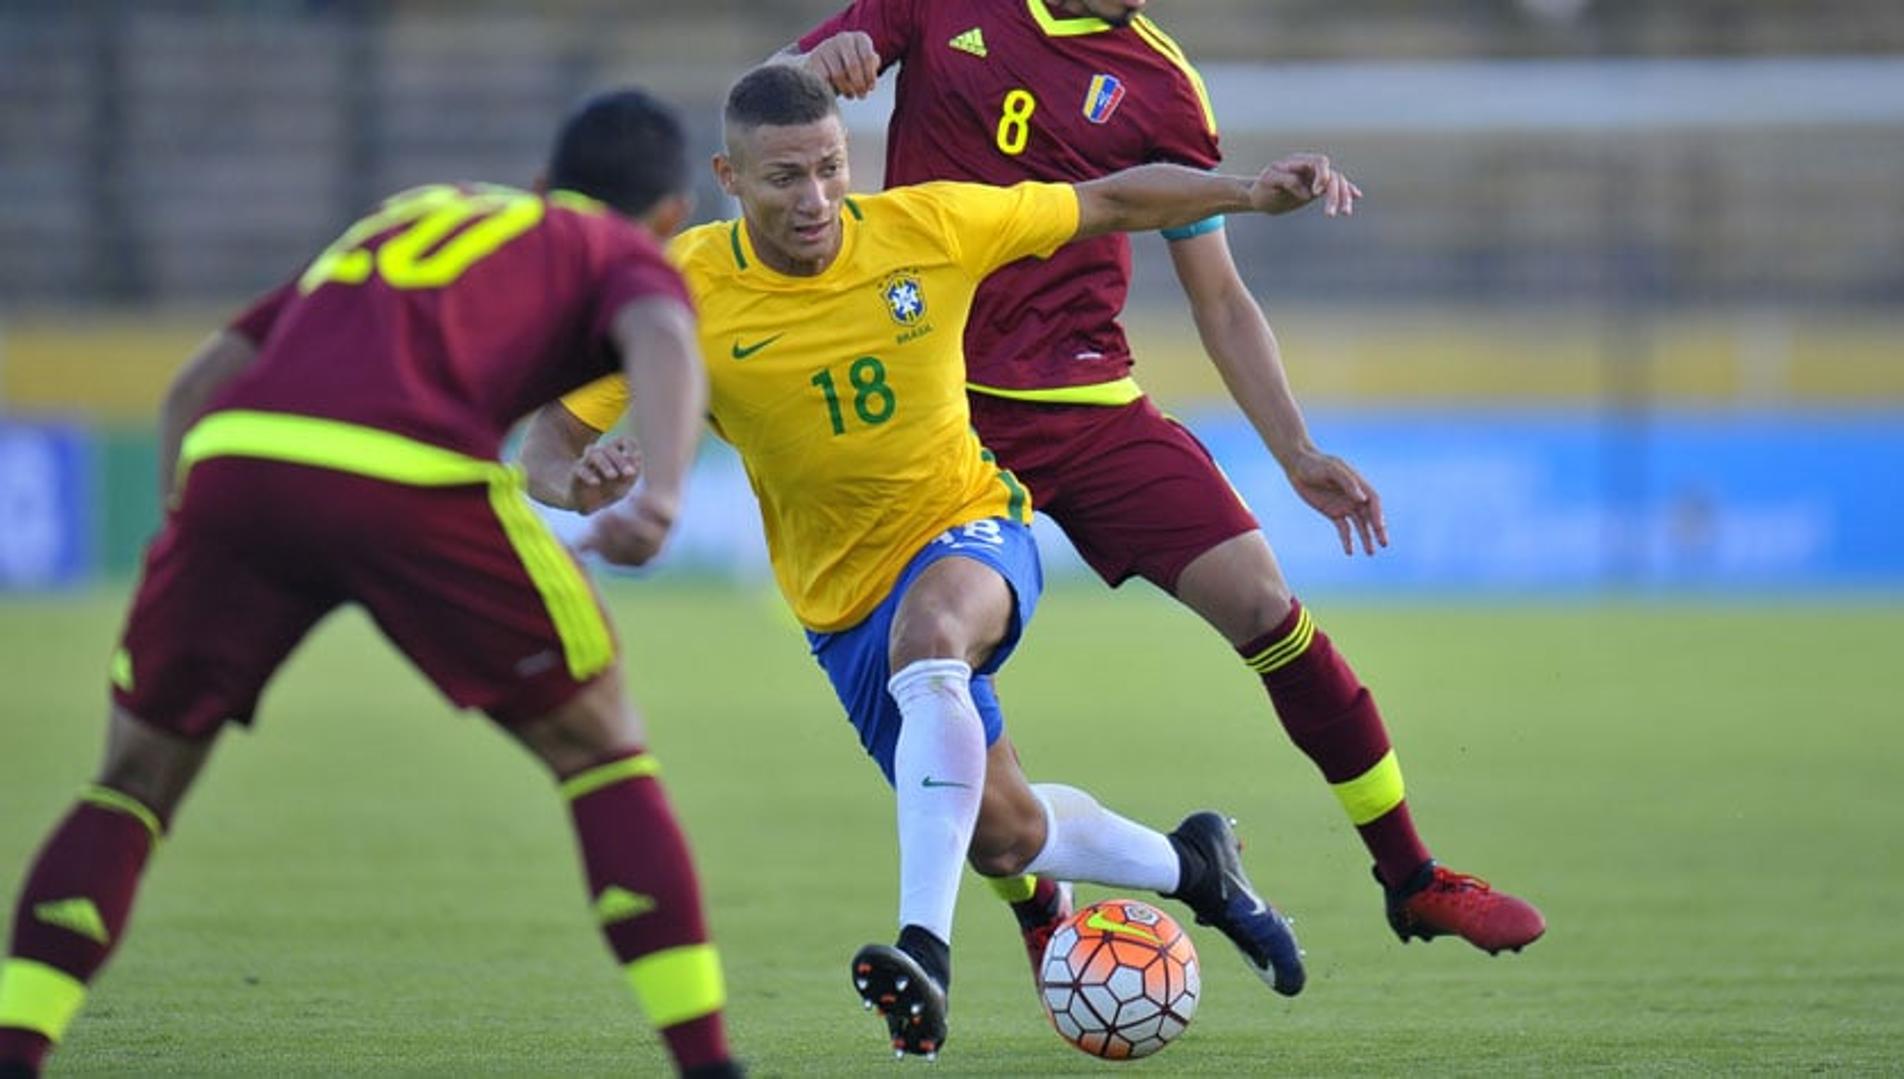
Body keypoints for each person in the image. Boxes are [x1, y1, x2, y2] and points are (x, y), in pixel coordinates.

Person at [521, 64, 1361, 1059]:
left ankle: (927, 945)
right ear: (729, 177)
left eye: (831, 167)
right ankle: (1195, 868)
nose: (816, 197)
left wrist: (1246, 193)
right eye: (785, 177)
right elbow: (548, 445)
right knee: (1005, 831)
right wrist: (585, 481)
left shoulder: (928, 226)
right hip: (840, 604)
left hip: (971, 525)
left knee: (932, 639)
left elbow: (1112, 199)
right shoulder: (683, 293)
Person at [0, 91, 744, 1079]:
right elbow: (662, 328)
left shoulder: (406, 216)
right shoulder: (613, 247)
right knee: (603, 747)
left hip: (239, 460)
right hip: (410, 472)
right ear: (666, 214)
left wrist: (192, 538)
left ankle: (18, 1045)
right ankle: (707, 1061)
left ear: (536, 185)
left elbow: (195, 383)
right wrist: (664, 491)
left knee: (132, 781)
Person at [787, 0, 1545, 958]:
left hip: (1085, 401)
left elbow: (1219, 295)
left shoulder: (1161, 81)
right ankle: (1037, 903)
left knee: (1266, 603)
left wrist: (1296, 449)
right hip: (940, 412)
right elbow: (779, 98)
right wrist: (826, 60)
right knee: (943, 688)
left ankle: (1413, 875)